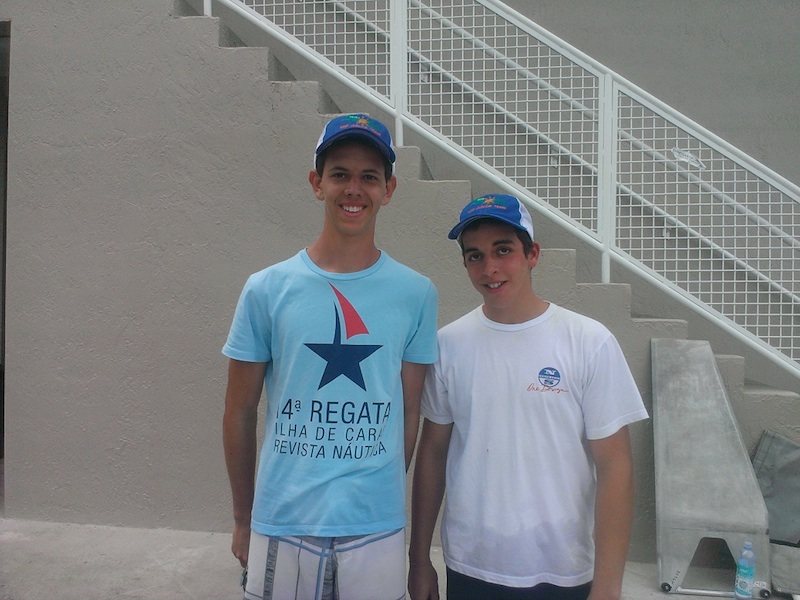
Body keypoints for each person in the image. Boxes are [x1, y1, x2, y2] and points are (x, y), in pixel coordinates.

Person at [222, 113, 439, 600]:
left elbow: (409, 411)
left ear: (389, 189)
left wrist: (378, 491)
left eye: (369, 176)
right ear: (316, 183)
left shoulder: (417, 293)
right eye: (340, 174)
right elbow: (239, 410)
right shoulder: (266, 289)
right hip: (283, 520)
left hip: (375, 526)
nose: (354, 189)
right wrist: (242, 518)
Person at [408, 194, 649, 600]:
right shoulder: (448, 345)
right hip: (471, 565)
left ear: (532, 253)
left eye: (503, 250)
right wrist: (419, 560)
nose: (490, 268)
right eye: (475, 256)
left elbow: (615, 467)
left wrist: (608, 587)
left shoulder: (588, 342)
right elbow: (432, 454)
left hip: (564, 571)